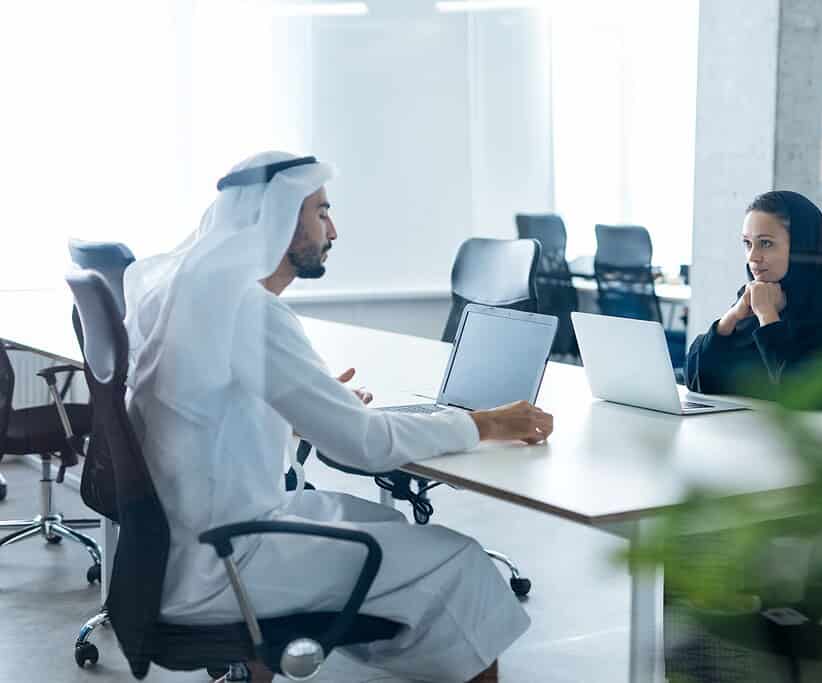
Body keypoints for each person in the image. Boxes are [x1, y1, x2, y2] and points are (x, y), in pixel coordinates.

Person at [122, 151, 553, 682]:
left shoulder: (191, 293)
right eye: (321, 212)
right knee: (458, 563)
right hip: (226, 560)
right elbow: (363, 445)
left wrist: (309, 404)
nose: (334, 229)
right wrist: (485, 424)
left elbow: (208, 407)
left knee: (386, 525)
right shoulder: (250, 309)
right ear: (275, 219)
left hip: (182, 549)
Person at [684, 190, 822, 397]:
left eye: (766, 243)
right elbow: (697, 379)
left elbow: (802, 397)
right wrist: (731, 319)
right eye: (748, 243)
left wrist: (768, 318)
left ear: (801, 246)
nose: (753, 257)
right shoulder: (757, 295)